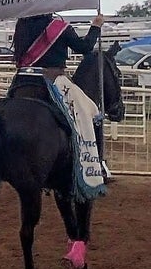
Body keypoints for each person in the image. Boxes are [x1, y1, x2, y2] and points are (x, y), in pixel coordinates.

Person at [10, 11, 107, 191]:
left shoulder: (21, 25)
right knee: (92, 112)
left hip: (22, 81)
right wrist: (96, 26)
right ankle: (97, 164)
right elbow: (84, 48)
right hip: (52, 80)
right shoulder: (59, 28)